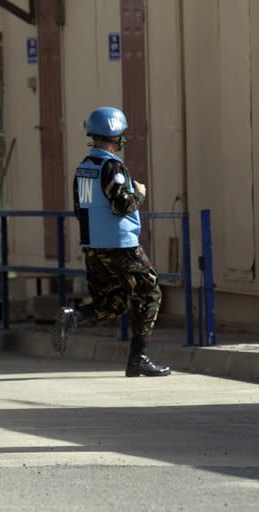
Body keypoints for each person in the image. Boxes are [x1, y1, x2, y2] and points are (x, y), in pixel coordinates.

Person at [52, 106, 171, 377]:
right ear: (114, 135)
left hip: (94, 247)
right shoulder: (112, 167)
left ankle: (75, 315)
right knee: (150, 294)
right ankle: (138, 358)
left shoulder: (84, 168)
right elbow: (121, 204)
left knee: (112, 303)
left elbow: (80, 209)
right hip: (122, 246)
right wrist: (139, 193)